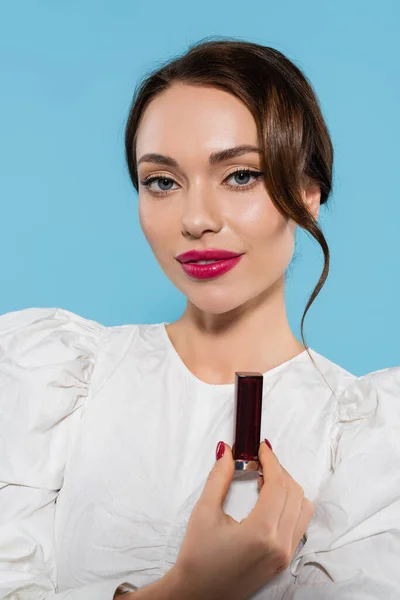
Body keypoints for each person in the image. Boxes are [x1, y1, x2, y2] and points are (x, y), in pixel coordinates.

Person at [1, 37, 399, 600]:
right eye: (162, 181)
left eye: (240, 175)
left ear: (309, 192)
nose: (195, 219)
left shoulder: (367, 443)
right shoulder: (49, 381)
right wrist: (191, 590)